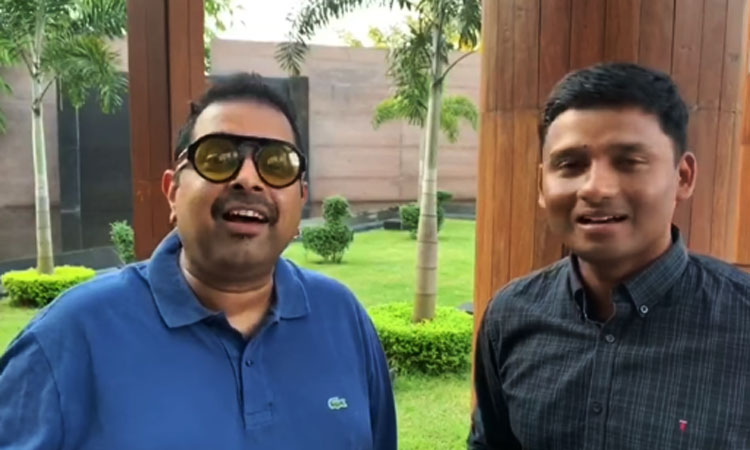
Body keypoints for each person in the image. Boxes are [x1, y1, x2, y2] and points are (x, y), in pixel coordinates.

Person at [0, 73, 397, 450]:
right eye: (218, 157)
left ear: (301, 199)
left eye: (276, 164)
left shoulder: (341, 317)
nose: (248, 178)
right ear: (172, 191)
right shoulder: (69, 338)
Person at [468, 62, 750, 449]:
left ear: (683, 177)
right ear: (542, 185)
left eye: (628, 162)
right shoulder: (511, 314)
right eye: (571, 165)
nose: (595, 188)